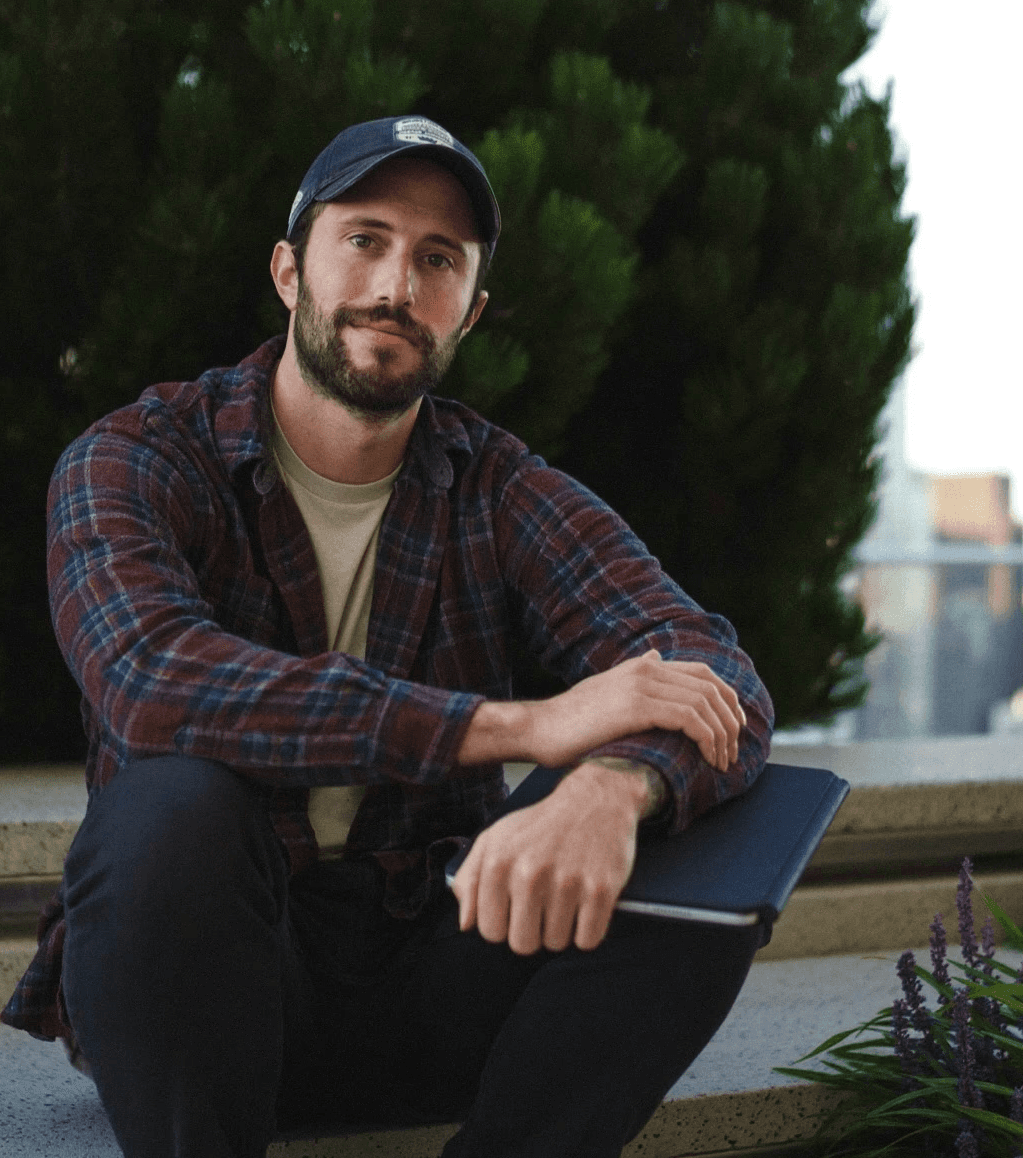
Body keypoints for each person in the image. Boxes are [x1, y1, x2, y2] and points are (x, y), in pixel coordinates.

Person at [2, 115, 774, 1157]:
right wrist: (519, 727)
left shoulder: (495, 485)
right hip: (207, 1000)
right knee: (169, 806)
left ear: (471, 311)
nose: (396, 285)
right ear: (289, 270)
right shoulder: (140, 458)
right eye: (364, 239)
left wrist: (610, 788)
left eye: (437, 259)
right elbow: (154, 682)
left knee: (708, 825)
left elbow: (709, 668)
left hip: (436, 976)